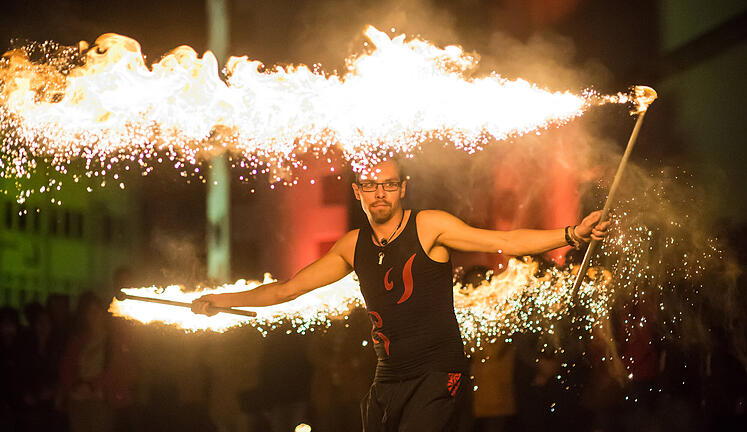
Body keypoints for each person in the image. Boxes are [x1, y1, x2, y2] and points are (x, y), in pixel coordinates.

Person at [192, 159, 608, 431]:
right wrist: (220, 301)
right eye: (371, 185)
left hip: (436, 373)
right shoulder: (351, 246)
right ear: (358, 191)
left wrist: (572, 234)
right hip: (386, 380)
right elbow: (286, 290)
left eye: (388, 185)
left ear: (402, 188)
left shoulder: (429, 226)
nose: (380, 193)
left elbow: (504, 240)